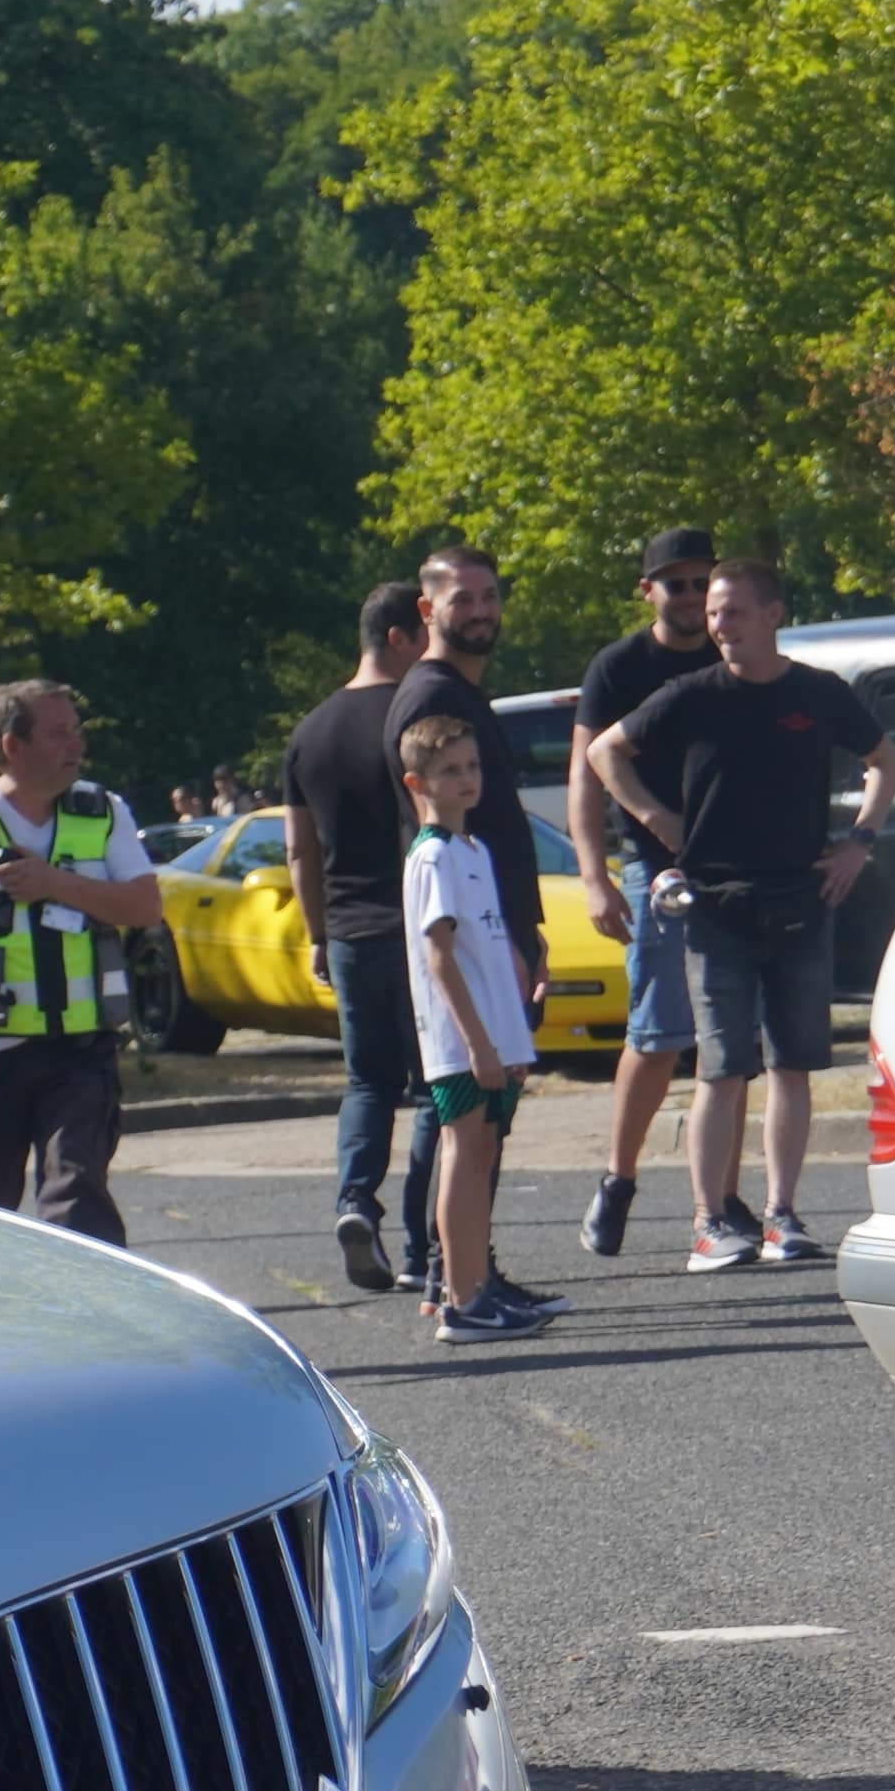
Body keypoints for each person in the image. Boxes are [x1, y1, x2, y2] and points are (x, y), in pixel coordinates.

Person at [583, 546, 895, 1271]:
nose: (716, 623)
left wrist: (858, 844)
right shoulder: (694, 692)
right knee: (722, 1068)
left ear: (773, 616)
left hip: (801, 897)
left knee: (792, 1066)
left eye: (730, 611)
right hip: (716, 907)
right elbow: (606, 752)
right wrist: (658, 820)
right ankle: (709, 1223)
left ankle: (783, 1214)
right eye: (712, 612)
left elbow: (886, 760)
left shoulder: (817, 693)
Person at [0, 677, 161, 1243]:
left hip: (81, 1048)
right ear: (12, 745)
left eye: (76, 732)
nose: (75, 745)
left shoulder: (101, 810)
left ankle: (90, 1320)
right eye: (59, 734)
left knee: (76, 1195)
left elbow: (144, 906)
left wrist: (52, 883)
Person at [386, 540, 549, 1307]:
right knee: (461, 1133)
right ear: (428, 611)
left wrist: (526, 929)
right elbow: (437, 936)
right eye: (462, 600)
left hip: (497, 950)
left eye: (489, 597)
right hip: (467, 994)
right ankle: (451, 1279)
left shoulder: (465, 696)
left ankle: (469, 1277)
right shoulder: (433, 699)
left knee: (483, 1135)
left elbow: (500, 834)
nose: (480, 612)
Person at [570, 525, 721, 1258]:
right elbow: (585, 773)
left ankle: (715, 1203)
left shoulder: (737, 652)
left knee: (729, 1040)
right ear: (648, 590)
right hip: (654, 864)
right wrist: (595, 877)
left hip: (733, 864)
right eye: (677, 584)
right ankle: (618, 1178)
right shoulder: (620, 666)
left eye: (702, 582)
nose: (692, 597)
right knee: (658, 1034)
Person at [277, 581, 431, 1289]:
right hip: (421, 924)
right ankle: (426, 1239)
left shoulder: (309, 731)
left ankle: (354, 1202)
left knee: (367, 1081)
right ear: (400, 637)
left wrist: (316, 932)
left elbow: (298, 850)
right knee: (437, 1091)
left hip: (346, 927)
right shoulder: (415, 717)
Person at [396, 710, 559, 1341]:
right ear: (418, 784)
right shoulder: (432, 857)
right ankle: (460, 1300)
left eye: (471, 767)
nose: (466, 780)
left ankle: (476, 1286)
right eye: (448, 771)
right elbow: (439, 954)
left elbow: (487, 946)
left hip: (495, 1031)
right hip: (462, 1040)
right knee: (463, 1153)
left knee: (483, 1150)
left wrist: (512, 1021)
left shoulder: (473, 849)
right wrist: (478, 1041)